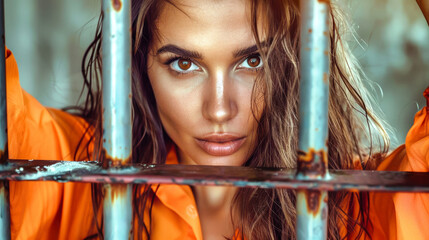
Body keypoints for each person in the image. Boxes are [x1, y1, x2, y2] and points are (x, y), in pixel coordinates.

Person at [4, 0, 429, 239]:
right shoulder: (79, 173)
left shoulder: (357, 205)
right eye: (183, 65)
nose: (220, 109)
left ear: (293, 63)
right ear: (138, 66)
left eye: (253, 60)